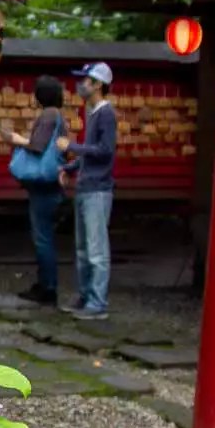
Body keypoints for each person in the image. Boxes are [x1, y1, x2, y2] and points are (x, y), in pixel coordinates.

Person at [6, 75, 69, 305]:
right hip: (53, 185)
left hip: (43, 187)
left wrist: (17, 139)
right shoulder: (59, 117)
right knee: (46, 237)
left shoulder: (48, 115)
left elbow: (36, 147)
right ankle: (46, 285)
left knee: (42, 238)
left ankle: (47, 288)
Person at [64, 61, 118, 319]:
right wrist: (71, 166)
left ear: (97, 84)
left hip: (98, 189)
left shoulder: (105, 114)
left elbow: (105, 151)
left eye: (86, 80)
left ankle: (98, 303)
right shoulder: (93, 112)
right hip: (86, 186)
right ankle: (85, 296)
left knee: (96, 250)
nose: (81, 85)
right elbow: (91, 153)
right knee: (83, 249)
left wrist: (73, 147)